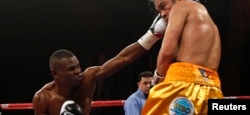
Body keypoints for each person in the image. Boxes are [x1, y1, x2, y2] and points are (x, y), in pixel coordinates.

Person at [32, 14, 168, 115]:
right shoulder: (43, 98)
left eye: (78, 66)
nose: (77, 71)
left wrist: (152, 36)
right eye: (71, 69)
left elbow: (123, 59)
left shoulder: (88, 78)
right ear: (55, 73)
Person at [142, 0, 224, 115]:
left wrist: (158, 78)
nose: (162, 14)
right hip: (213, 89)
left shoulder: (181, 6)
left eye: (163, 6)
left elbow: (167, 52)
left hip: (182, 86)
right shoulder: (210, 23)